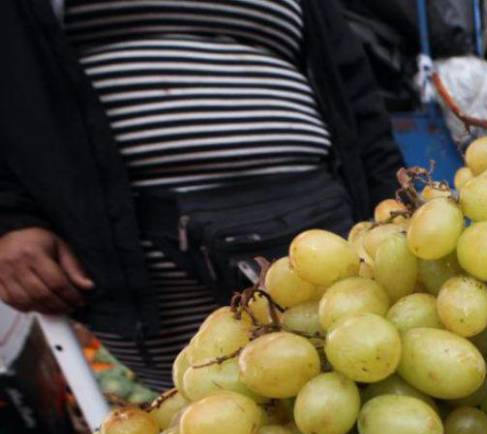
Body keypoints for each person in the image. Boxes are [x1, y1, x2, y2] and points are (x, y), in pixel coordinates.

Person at [0, 0, 402, 391]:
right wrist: (9, 217)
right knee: (212, 422)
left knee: (344, 394)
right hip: (144, 256)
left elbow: (355, 93)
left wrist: (392, 211)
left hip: (320, 224)